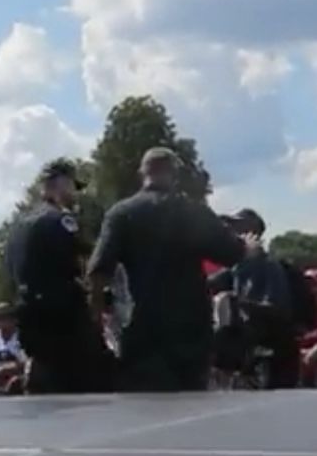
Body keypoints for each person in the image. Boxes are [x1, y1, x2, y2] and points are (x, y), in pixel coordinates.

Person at [88, 147, 249, 392]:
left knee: (141, 404)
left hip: (141, 332)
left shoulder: (121, 214)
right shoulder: (193, 212)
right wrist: (248, 247)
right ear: (174, 175)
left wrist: (96, 322)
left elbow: (98, 272)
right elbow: (232, 254)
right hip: (189, 332)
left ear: (142, 173)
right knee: (190, 404)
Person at [6, 158, 114, 393]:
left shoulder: (19, 225)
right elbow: (78, 261)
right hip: (61, 317)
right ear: (62, 183)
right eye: (74, 187)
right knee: (90, 377)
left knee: (45, 374)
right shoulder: (61, 219)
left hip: (27, 313)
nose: (75, 195)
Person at [208, 209, 301, 389]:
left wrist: (238, 303)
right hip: (244, 351)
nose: (232, 232)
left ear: (253, 233)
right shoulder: (235, 268)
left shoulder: (270, 267)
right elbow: (205, 284)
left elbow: (276, 309)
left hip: (270, 356)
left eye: (238, 227)